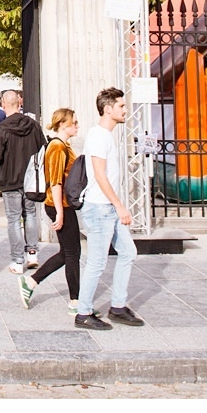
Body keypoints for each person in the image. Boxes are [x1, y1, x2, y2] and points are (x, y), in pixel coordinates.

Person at [74, 88, 143, 330]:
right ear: (108, 108)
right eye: (121, 106)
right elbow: (100, 176)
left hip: (107, 208)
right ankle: (83, 312)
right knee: (97, 262)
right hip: (100, 207)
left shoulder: (106, 135)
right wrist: (120, 205)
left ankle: (118, 306)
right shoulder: (99, 136)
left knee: (127, 252)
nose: (125, 110)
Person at [19, 108, 82, 313]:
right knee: (72, 253)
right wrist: (60, 211)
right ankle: (75, 301)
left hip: (62, 203)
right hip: (59, 204)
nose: (77, 126)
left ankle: (32, 282)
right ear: (63, 124)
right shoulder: (57, 147)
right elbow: (55, 181)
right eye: (74, 122)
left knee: (68, 252)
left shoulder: (63, 145)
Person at [0, 89, 45, 275]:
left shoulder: (0, 129)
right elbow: (42, 148)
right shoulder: (33, 126)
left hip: (10, 177)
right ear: (19, 103)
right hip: (30, 178)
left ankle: (17, 259)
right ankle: (32, 253)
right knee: (30, 214)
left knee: (13, 219)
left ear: (4, 104)